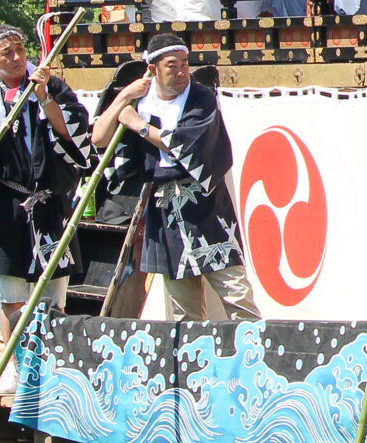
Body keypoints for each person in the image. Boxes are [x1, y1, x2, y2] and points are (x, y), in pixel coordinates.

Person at [94, 34, 261, 320]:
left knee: (236, 294)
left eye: (185, 63)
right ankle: (194, 362)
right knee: (184, 309)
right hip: (164, 210)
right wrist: (123, 97)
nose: (182, 71)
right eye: (172, 65)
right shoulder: (141, 101)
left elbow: (186, 145)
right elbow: (99, 139)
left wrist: (140, 126)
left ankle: (254, 357)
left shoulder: (200, 98)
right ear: (153, 69)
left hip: (205, 206)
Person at [0, 24, 94, 332]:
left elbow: (74, 137)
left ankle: (51, 362)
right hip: (9, 204)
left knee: (55, 296)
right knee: (11, 295)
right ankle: (12, 364)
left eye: (20, 50)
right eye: (7, 53)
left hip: (52, 202)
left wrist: (44, 97)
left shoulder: (51, 86)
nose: (16, 58)